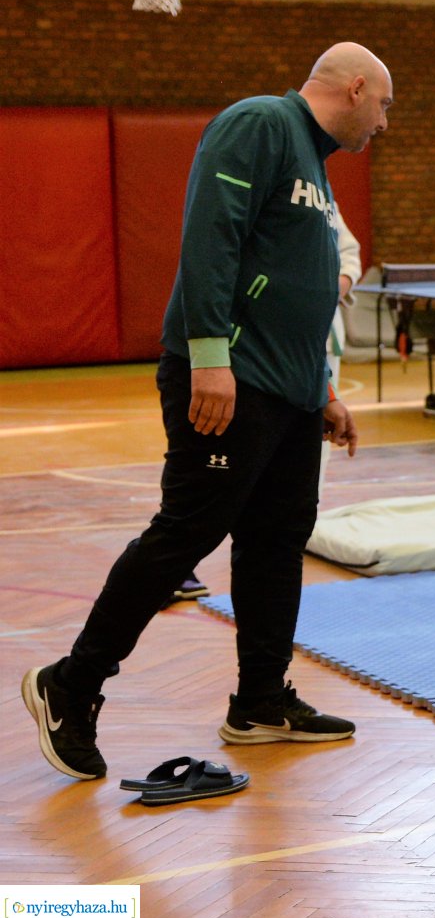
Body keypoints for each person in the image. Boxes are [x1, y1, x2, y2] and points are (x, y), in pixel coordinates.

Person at [22, 43, 393, 781]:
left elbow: (301, 288)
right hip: (231, 379)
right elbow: (211, 237)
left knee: (277, 540)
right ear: (355, 88)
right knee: (187, 531)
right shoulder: (260, 123)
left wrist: (322, 388)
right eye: (384, 106)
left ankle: (259, 701)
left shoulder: (315, 168)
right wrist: (209, 356)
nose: (384, 124)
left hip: (287, 392)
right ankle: (72, 683)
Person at [174, 212, 361, 604]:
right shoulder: (252, 175)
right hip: (245, 355)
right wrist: (210, 359)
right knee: (203, 498)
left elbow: (349, 256)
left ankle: (265, 664)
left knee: (281, 520)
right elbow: (211, 258)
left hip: (308, 356)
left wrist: (326, 391)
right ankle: (177, 563)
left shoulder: (318, 188)